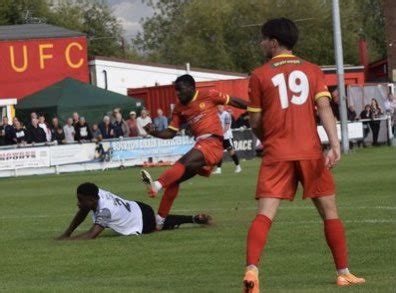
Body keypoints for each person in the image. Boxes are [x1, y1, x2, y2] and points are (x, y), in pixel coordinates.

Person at [242, 18, 365, 292]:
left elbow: (254, 123)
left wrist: (268, 140)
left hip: (277, 154)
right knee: (330, 213)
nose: (262, 44)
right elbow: (324, 108)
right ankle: (343, 273)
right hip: (310, 151)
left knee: (265, 215)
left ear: (273, 42)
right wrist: (335, 144)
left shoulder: (259, 75)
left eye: (263, 39)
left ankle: (252, 269)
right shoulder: (311, 70)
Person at [140, 74, 247, 231]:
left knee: (183, 162)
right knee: (174, 181)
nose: (178, 94)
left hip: (213, 143)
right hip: (202, 145)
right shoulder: (179, 108)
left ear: (191, 88)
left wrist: (255, 107)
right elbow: (170, 132)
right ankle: (160, 220)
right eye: (176, 91)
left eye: (180, 90)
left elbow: (234, 100)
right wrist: (154, 133)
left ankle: (157, 184)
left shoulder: (208, 94)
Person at [56, 182, 211, 240]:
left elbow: (92, 234)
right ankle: (194, 218)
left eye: (80, 200)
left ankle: (193, 219)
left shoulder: (105, 210)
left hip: (142, 222)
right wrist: (67, 233)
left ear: (91, 199)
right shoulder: (96, 193)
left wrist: (68, 240)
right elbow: (82, 212)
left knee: (160, 225)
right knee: (161, 221)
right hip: (138, 207)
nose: (78, 203)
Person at [213, 105, 242, 174]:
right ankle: (218, 169)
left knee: (231, 152)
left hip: (227, 137)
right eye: (218, 107)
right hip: (220, 137)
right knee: (219, 153)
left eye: (220, 107)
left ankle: (238, 166)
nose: (219, 108)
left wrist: (222, 133)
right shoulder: (216, 115)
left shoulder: (226, 115)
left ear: (223, 107)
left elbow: (227, 125)